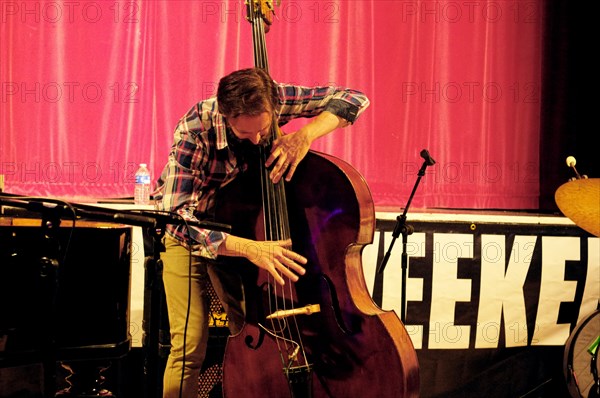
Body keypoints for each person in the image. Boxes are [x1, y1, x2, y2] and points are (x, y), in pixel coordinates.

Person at [154, 67, 370, 397]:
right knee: (189, 345)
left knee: (251, 330)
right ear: (226, 116)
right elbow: (175, 218)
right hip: (191, 232)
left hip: (238, 224)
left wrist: (304, 135)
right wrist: (252, 249)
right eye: (245, 133)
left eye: (264, 130)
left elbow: (354, 98)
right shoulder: (195, 128)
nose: (258, 141)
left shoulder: (275, 98)